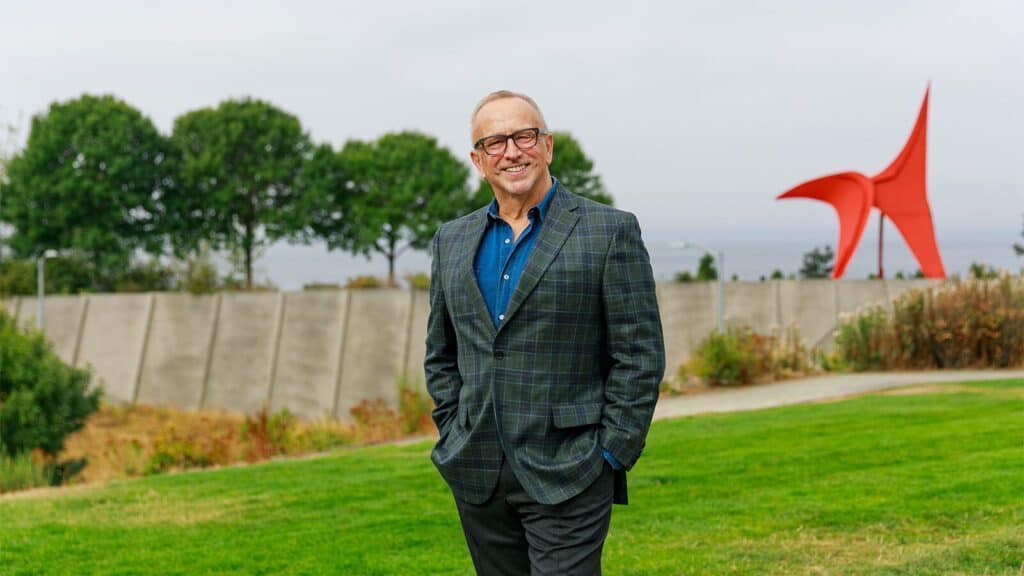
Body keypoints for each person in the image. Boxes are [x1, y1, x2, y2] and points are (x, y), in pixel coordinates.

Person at [425, 90, 664, 575]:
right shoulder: (450, 240)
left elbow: (639, 355)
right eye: (494, 142)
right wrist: (454, 430)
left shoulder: (608, 231)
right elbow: (441, 353)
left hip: (571, 468)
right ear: (478, 160)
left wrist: (611, 452)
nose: (511, 151)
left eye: (524, 136)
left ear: (547, 146)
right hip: (477, 469)